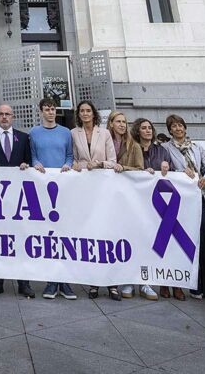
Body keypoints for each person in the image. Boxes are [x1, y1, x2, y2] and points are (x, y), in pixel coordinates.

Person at [0, 103, 35, 300]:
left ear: (13, 117)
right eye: (1, 114)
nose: (4, 117)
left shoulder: (23, 137)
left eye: (8, 114)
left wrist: (26, 165)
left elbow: (29, 162)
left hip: (19, 198)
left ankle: (24, 283)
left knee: (20, 239)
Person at [165, 114, 205, 302]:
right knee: (186, 242)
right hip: (182, 201)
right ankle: (194, 287)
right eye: (174, 126)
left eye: (180, 125)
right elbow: (167, 171)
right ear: (170, 130)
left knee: (204, 241)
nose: (178, 128)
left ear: (185, 128)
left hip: (201, 198)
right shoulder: (166, 148)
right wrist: (182, 172)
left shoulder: (197, 147)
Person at [71, 99, 118, 300]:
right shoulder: (74, 133)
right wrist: (80, 166)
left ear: (93, 113)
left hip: (103, 188)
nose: (85, 113)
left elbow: (113, 161)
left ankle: (113, 284)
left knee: (107, 233)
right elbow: (74, 160)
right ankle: (93, 283)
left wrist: (99, 164)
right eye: (82, 111)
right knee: (90, 234)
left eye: (88, 110)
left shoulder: (104, 133)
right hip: (85, 190)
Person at [30, 97, 76, 300]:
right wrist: (35, 163)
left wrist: (67, 165)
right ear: (41, 111)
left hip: (63, 187)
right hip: (42, 188)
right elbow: (32, 156)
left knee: (64, 233)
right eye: (47, 109)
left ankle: (64, 281)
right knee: (47, 235)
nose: (51, 112)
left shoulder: (66, 132)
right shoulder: (34, 133)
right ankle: (51, 281)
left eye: (53, 109)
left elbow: (70, 155)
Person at [128, 118, 171, 301]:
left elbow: (172, 173)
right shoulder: (130, 148)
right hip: (134, 201)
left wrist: (167, 167)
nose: (147, 130)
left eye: (149, 128)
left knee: (149, 240)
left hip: (155, 203)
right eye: (143, 128)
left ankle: (145, 281)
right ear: (137, 131)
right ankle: (130, 279)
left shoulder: (162, 151)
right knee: (133, 239)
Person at [108, 111, 140, 298]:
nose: (122, 125)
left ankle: (131, 280)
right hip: (108, 198)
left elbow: (139, 169)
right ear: (111, 123)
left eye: (124, 122)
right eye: (118, 121)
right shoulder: (105, 142)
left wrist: (123, 168)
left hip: (127, 198)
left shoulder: (133, 145)